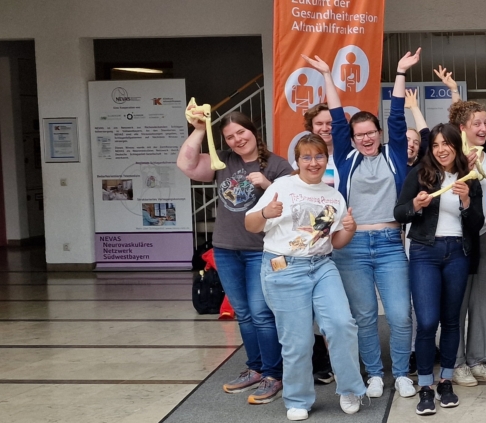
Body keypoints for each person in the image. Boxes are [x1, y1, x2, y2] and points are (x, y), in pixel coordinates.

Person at [302, 50, 418, 399]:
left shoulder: (394, 153)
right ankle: (374, 374)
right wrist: (326, 75)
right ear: (350, 139)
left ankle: (400, 373)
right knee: (364, 316)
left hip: (388, 244)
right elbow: (337, 118)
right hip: (351, 246)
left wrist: (399, 71)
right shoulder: (345, 157)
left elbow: (397, 116)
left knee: (399, 314)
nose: (366, 138)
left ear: (380, 134)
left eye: (371, 133)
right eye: (359, 134)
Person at [245, 134, 366, 421]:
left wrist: (349, 227)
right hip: (283, 267)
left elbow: (335, 242)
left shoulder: (333, 195)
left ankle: (349, 388)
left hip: (322, 266)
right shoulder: (282, 186)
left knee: (341, 324)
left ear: (327, 159)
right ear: (297, 161)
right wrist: (265, 211)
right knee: (297, 340)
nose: (314, 162)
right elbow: (251, 224)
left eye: (319, 156)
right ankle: (298, 398)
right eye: (307, 157)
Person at [177, 109, 291, 405]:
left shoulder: (277, 165)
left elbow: (294, 205)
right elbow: (185, 164)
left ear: (253, 131)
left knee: (262, 314)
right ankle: (254, 368)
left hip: (261, 252)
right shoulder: (223, 161)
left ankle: (273, 375)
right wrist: (200, 129)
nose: (237, 139)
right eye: (230, 137)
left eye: (241, 132)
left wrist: (267, 185)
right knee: (243, 312)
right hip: (226, 249)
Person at [394, 124, 484, 415]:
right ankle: (424, 386)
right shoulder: (420, 174)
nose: (441, 149)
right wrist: (416, 206)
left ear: (457, 147)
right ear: (430, 149)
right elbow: (399, 212)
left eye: (447, 144)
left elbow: (475, 223)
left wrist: (466, 201)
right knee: (428, 320)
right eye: (435, 145)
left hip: (457, 252)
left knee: (452, 320)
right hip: (424, 252)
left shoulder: (469, 180)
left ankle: (446, 380)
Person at [449, 99, 486, 387]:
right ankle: (456, 363)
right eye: (477, 124)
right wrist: (461, 168)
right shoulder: (450, 156)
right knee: (456, 303)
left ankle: (479, 360)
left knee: (485, 302)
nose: (484, 128)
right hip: (457, 238)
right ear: (462, 129)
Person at [300, 102, 338, 188]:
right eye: (319, 124)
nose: (325, 128)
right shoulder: (302, 159)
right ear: (311, 127)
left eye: (330, 123)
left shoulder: (350, 157)